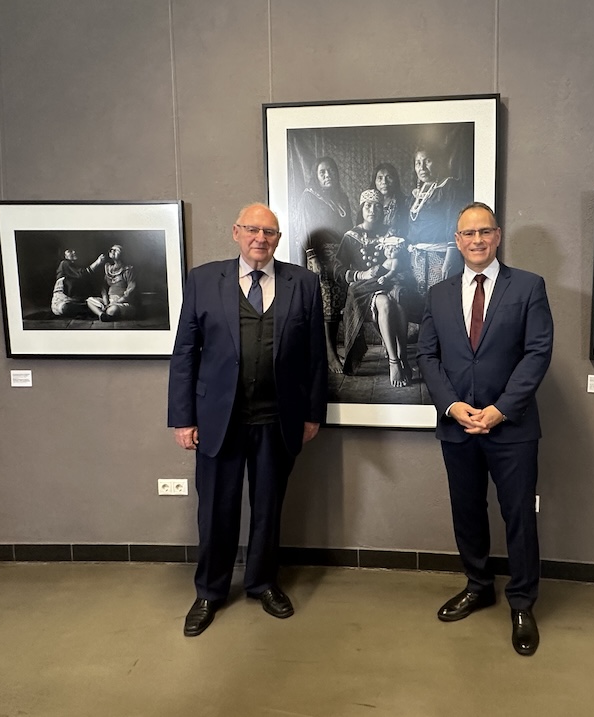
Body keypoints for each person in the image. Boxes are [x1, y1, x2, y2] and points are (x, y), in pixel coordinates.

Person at [168, 203, 327, 638]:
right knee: (215, 510)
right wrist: (183, 418)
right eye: (253, 230)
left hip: (277, 417)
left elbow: (315, 356)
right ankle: (209, 592)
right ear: (236, 232)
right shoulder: (204, 280)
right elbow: (185, 352)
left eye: (270, 232)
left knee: (268, 507)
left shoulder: (303, 283)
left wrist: (313, 413)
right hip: (218, 419)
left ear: (278, 239)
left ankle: (262, 583)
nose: (261, 238)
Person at [417, 202, 554, 657]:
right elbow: (427, 355)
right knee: (467, 511)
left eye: (484, 232)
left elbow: (537, 352)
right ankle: (478, 586)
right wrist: (452, 406)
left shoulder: (528, 286)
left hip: (512, 428)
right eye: (468, 233)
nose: (476, 240)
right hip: (458, 426)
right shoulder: (438, 294)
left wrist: (501, 409)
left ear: (497, 236)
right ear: (457, 241)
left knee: (519, 516)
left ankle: (522, 602)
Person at [335, 190, 419, 387]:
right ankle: (394, 362)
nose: (372, 210)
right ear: (361, 209)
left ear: (383, 210)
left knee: (398, 301)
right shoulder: (351, 236)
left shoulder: (391, 234)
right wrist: (360, 275)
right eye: (368, 205)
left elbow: (403, 263)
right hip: (364, 290)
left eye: (377, 206)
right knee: (385, 303)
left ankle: (402, 355)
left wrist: (393, 264)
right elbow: (338, 268)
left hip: (388, 283)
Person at [299, 156, 353, 374]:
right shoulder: (309, 197)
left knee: (337, 305)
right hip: (320, 256)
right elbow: (305, 228)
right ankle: (329, 355)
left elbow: (348, 228)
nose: (327, 175)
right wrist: (312, 257)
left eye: (331, 171)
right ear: (316, 176)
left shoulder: (341, 197)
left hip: (340, 257)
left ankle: (332, 350)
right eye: (322, 172)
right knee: (326, 305)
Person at [406, 145, 467, 282]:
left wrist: (450, 259)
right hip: (417, 258)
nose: (422, 167)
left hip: (440, 256)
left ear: (438, 161)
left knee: (441, 293)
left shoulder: (449, 187)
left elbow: (454, 223)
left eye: (427, 161)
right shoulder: (416, 194)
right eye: (418, 163)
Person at [86, 244, 138, 321]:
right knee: (89, 301)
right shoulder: (109, 268)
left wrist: (118, 301)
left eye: (116, 250)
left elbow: (131, 289)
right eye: (111, 249)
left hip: (123, 301)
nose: (112, 251)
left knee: (112, 310)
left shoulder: (128, 269)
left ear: (123, 254)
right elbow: (104, 288)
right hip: (110, 300)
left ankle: (108, 313)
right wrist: (106, 302)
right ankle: (102, 315)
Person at [51, 248, 105, 317]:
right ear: (64, 256)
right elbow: (82, 274)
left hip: (73, 301)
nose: (74, 252)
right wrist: (97, 262)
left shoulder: (74, 267)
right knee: (66, 308)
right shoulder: (64, 263)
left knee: (91, 303)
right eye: (70, 251)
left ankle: (91, 310)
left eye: (74, 250)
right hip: (61, 302)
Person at [363, 162, 409, 238]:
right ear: (374, 181)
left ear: (395, 180)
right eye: (380, 178)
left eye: (389, 177)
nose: (384, 182)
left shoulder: (405, 203)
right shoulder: (367, 204)